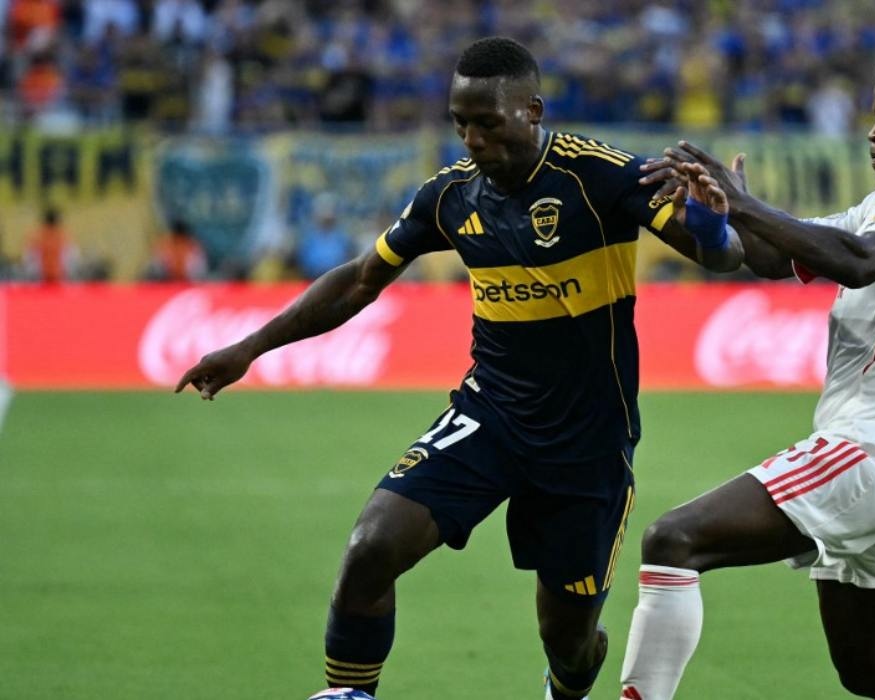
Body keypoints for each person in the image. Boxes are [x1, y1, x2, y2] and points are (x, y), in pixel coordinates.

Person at [174, 36, 742, 700]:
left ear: (532, 110)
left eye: (487, 122)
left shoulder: (600, 177)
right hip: (490, 417)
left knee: (568, 641)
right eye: (459, 123)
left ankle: (571, 677)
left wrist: (708, 224)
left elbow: (722, 257)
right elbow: (361, 280)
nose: (471, 138)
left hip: (586, 443)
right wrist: (250, 347)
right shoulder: (449, 197)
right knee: (369, 550)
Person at [620, 51, 875, 699]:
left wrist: (747, 204)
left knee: (674, 540)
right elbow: (777, 255)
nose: (874, 130)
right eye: (873, 116)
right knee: (870, 669)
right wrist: (724, 208)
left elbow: (856, 261)